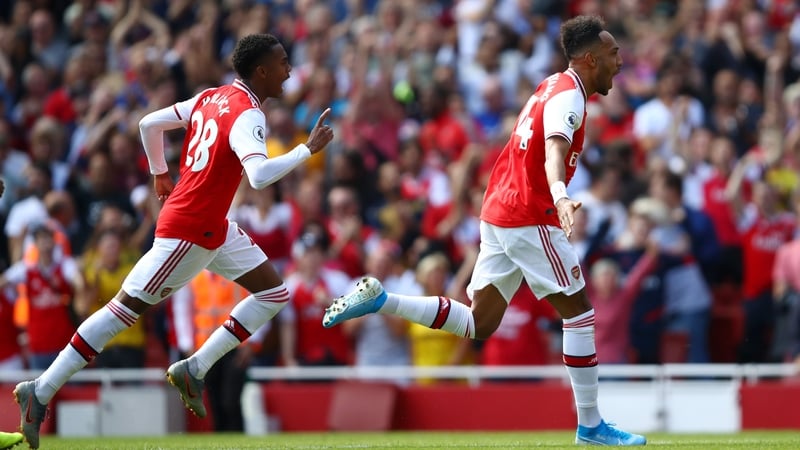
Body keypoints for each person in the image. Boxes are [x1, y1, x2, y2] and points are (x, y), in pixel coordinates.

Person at [323, 16, 646, 446]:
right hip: (529, 213)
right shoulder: (570, 98)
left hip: (499, 209)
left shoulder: (552, 84)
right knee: (581, 314)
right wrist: (561, 194)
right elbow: (554, 149)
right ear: (589, 60)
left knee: (480, 323)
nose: (620, 62)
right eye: (612, 55)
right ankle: (590, 426)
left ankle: (382, 299)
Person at [13, 33, 334, 449]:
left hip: (212, 226)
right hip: (188, 232)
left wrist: (159, 171)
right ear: (261, 70)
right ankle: (40, 390)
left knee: (273, 293)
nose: (289, 70)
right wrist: (306, 151)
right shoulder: (248, 115)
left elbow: (149, 123)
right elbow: (257, 176)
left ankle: (194, 368)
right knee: (123, 311)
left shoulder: (210, 96)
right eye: (283, 62)